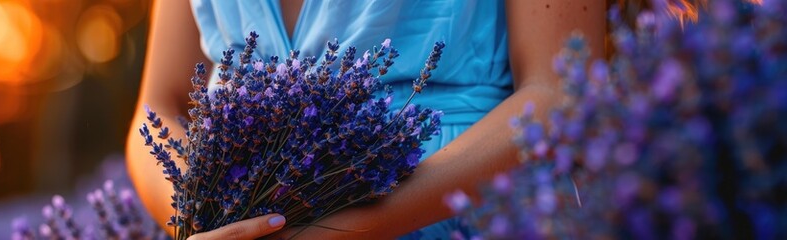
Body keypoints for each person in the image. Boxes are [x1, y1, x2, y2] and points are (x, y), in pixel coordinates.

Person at [127, 0, 605, 239]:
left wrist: (331, 229)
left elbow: (559, 91)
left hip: (462, 219)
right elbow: (159, 106)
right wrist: (205, 222)